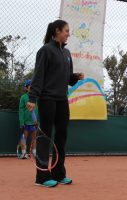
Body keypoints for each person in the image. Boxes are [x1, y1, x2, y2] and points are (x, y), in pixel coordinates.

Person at [27, 19, 84, 187]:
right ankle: (42, 176)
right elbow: (39, 76)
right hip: (47, 99)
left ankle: (59, 173)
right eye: (66, 30)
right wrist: (32, 98)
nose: (69, 33)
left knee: (61, 135)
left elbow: (66, 78)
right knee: (45, 136)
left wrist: (74, 77)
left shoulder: (66, 53)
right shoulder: (45, 51)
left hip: (61, 99)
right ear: (57, 31)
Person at [18, 80, 37, 159]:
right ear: (26, 88)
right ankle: (23, 153)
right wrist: (21, 122)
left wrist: (37, 121)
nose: (31, 88)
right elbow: (21, 110)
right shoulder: (23, 97)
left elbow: (39, 109)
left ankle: (34, 153)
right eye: (29, 86)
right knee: (24, 138)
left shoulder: (37, 97)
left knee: (34, 138)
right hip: (25, 122)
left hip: (34, 122)